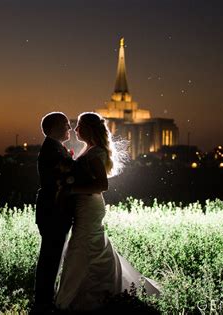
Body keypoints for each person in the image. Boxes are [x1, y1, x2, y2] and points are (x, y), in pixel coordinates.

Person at [55, 112, 161, 311]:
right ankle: (86, 293)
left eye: (79, 126)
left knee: (82, 244)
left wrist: (71, 188)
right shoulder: (90, 150)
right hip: (85, 204)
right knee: (87, 244)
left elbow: (102, 185)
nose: (75, 129)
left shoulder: (95, 153)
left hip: (89, 205)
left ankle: (86, 297)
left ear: (89, 129)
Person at [33, 112, 75, 313]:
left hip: (54, 210)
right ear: (54, 128)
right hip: (53, 211)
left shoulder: (55, 148)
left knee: (52, 256)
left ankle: (44, 299)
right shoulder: (52, 150)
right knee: (50, 257)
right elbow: (64, 178)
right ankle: (43, 302)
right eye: (66, 125)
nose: (70, 128)